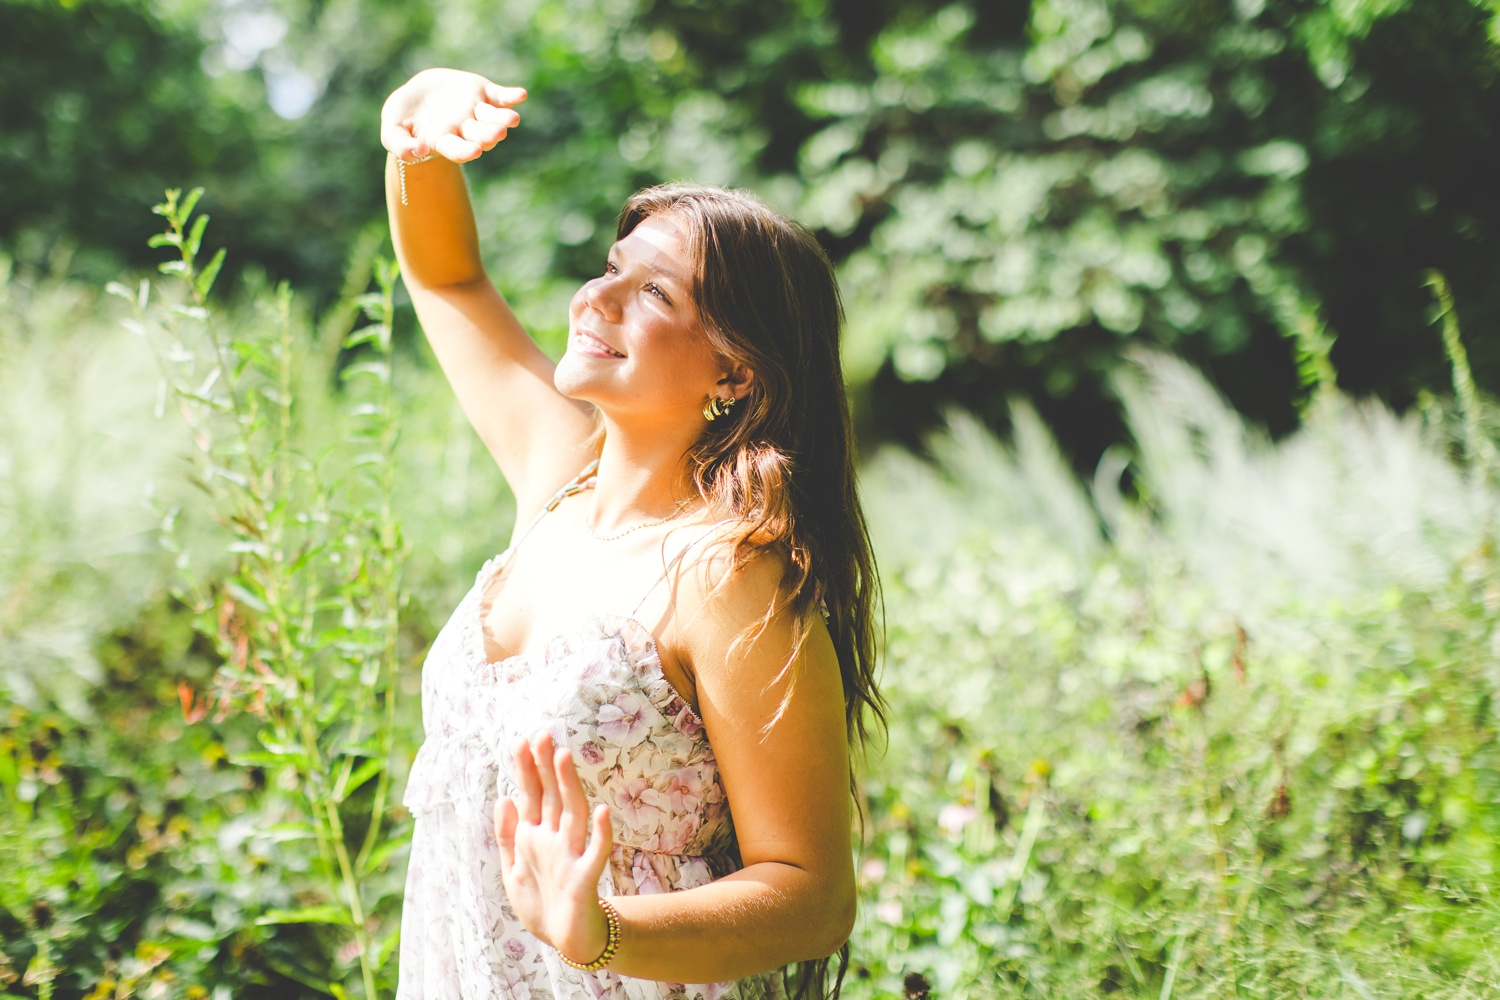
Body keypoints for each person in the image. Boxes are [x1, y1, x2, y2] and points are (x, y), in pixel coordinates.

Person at [380, 67, 883, 1000]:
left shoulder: (728, 575)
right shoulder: (556, 476)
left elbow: (811, 895)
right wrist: (413, 138)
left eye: (656, 295)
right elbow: (447, 276)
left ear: (735, 371)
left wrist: (603, 931)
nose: (596, 300)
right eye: (613, 270)